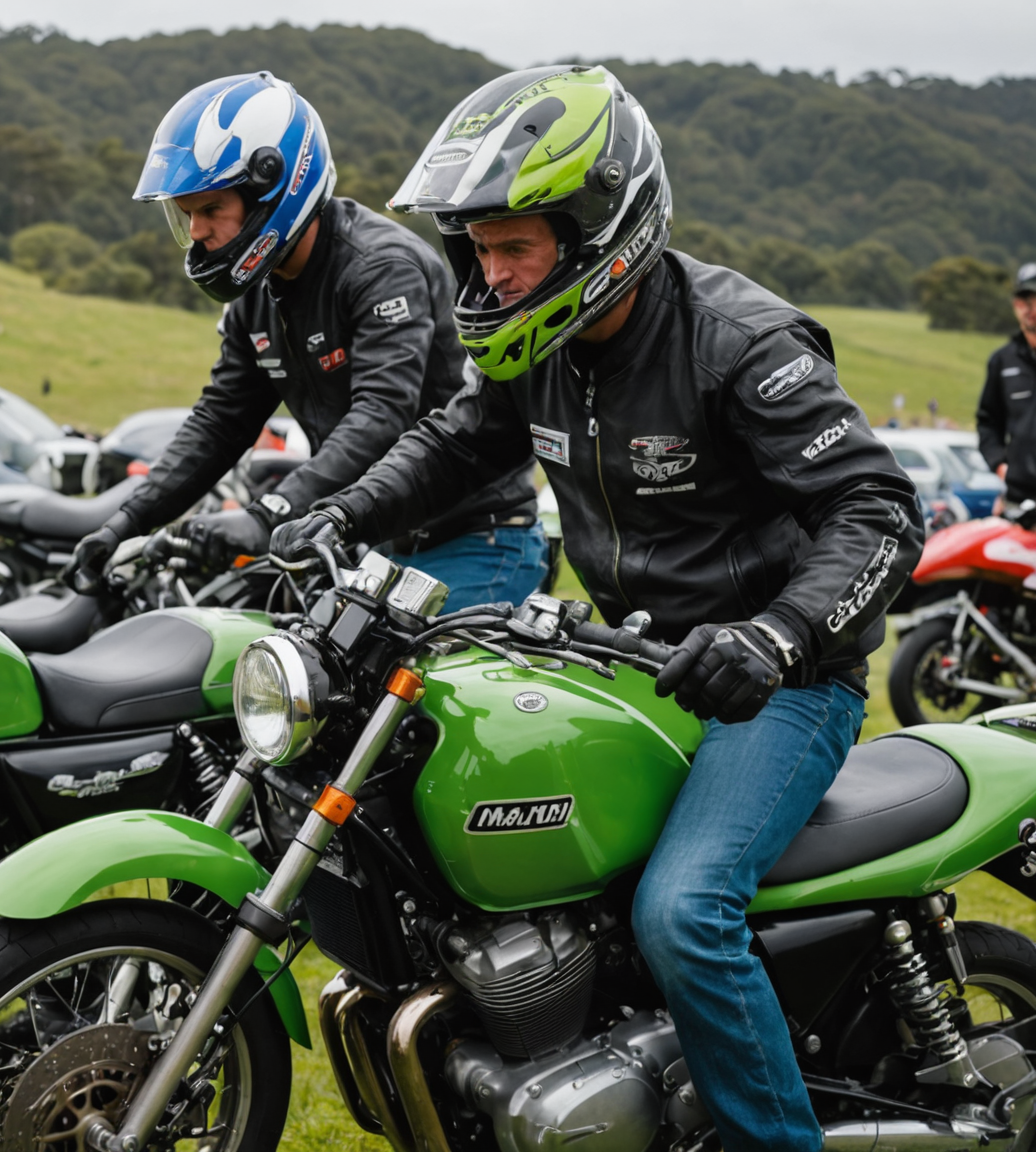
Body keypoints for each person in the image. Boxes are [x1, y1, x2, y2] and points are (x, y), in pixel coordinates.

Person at [270, 65, 921, 1152]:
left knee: (682, 914)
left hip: (777, 689)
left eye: (514, 245)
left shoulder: (741, 343)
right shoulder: (544, 345)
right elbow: (452, 441)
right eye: (477, 248)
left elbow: (880, 511)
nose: (491, 274)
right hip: (625, 660)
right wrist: (342, 511)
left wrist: (776, 635)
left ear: (600, 225)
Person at [63, 72, 543, 610]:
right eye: (188, 214)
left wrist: (271, 510)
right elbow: (222, 420)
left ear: (275, 189)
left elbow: (382, 415)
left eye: (211, 210)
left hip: (476, 538)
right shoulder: (257, 290)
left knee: (392, 687)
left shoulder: (380, 267)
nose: (197, 232)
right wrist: (127, 520)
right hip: (371, 540)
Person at [977, 261, 1036, 510]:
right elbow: (988, 421)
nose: (1031, 309)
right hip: (1019, 499)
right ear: (1015, 305)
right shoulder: (1002, 361)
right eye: (1025, 300)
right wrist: (1000, 466)